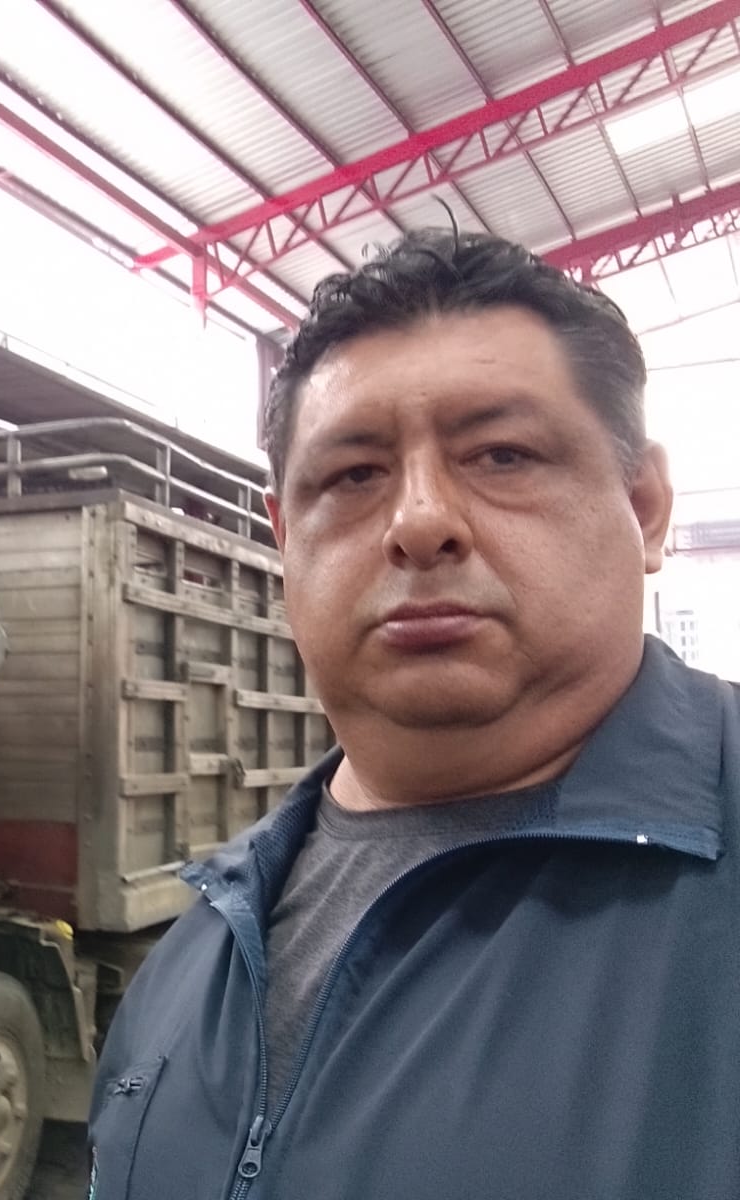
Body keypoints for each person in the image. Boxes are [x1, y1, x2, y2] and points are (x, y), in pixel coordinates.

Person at [88, 229, 740, 1198]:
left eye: (502, 455)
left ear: (642, 506)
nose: (419, 521)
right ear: (283, 538)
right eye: (354, 476)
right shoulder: (206, 940)